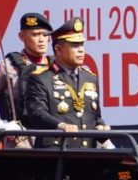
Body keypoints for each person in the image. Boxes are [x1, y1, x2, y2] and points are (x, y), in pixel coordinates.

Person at [24, 18, 109, 148]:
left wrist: (101, 126)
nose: (81, 50)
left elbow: (95, 116)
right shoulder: (41, 78)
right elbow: (37, 113)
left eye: (81, 44)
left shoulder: (90, 78)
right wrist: (61, 126)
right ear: (58, 49)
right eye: (75, 45)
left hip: (88, 153)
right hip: (56, 153)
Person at [0, 12, 52, 144]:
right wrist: (0, 126)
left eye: (45, 35)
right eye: (36, 34)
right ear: (22, 36)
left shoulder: (54, 66)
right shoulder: (8, 67)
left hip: (51, 138)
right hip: (20, 140)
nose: (42, 39)